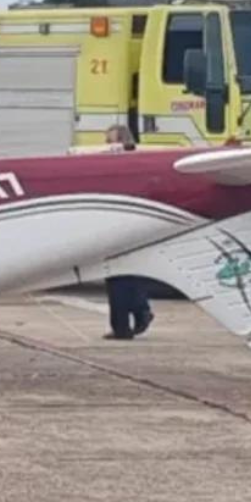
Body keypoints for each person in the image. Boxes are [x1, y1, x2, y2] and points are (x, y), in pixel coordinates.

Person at [102, 124, 153, 340]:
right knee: (128, 276)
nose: (107, 146)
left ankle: (123, 326)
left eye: (110, 141)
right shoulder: (137, 164)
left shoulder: (121, 164)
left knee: (118, 278)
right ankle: (140, 313)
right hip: (125, 224)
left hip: (122, 225)